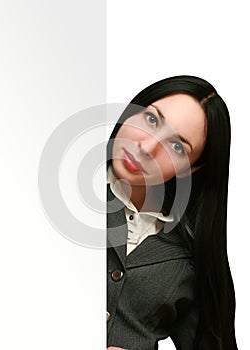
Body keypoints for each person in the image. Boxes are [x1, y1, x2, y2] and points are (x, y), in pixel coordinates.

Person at [106, 75, 238, 350]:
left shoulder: (190, 257)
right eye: (152, 120)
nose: (147, 147)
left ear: (190, 169)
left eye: (176, 147)